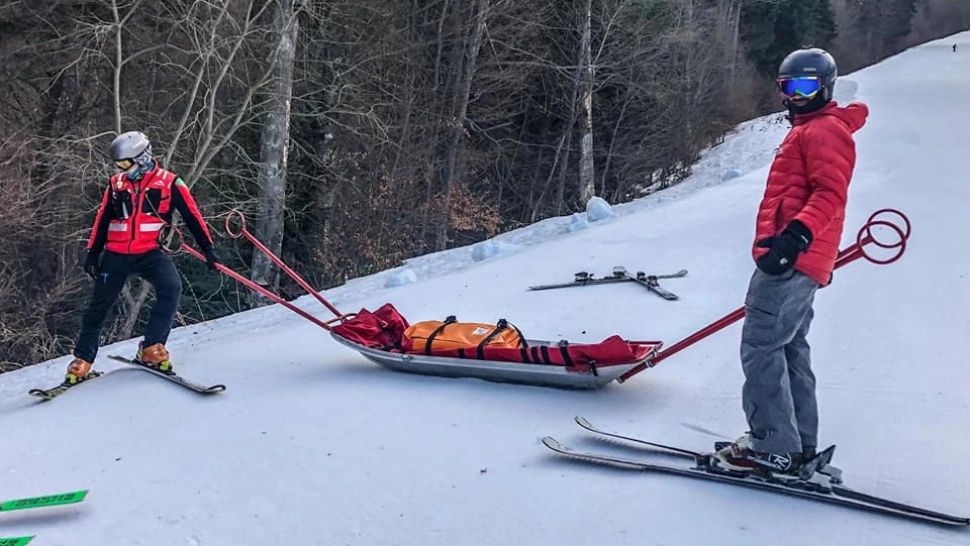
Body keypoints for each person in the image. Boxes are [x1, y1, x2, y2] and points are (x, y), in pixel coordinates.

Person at [715, 48, 869, 475]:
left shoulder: (823, 131)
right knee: (789, 347)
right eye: (789, 87)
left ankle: (771, 444)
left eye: (806, 87)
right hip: (795, 258)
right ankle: (797, 442)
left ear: (826, 87)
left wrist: (794, 237)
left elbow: (829, 194)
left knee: (761, 345)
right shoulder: (812, 129)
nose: (797, 97)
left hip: (791, 258)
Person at [65, 131, 220, 384]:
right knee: (98, 306)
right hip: (116, 255)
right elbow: (102, 219)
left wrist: (209, 250)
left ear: (142, 157)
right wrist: (93, 253)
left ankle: (152, 347)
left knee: (171, 288)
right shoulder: (116, 184)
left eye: (125, 163)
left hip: (149, 253)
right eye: (118, 164)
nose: (121, 169)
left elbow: (193, 216)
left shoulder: (170, 183)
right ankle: (82, 359)